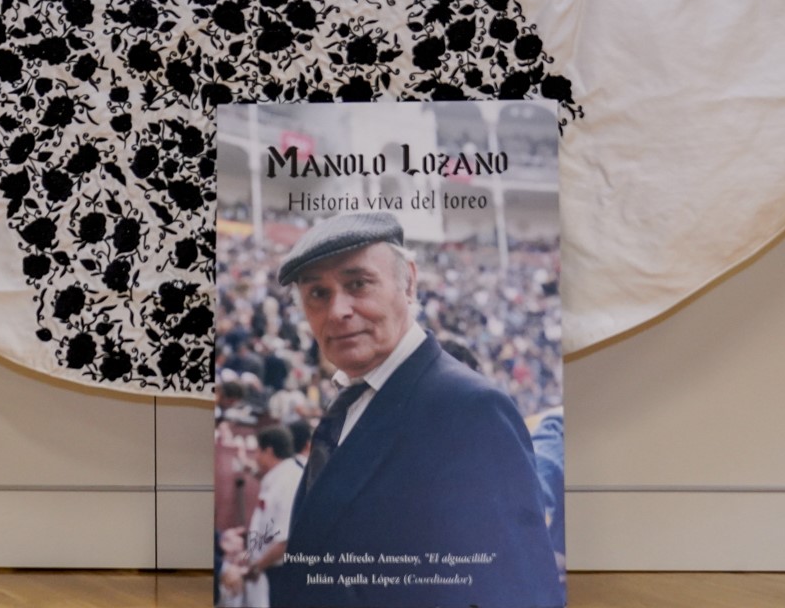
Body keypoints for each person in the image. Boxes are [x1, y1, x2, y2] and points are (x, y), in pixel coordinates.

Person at [268, 213, 563, 608]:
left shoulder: (469, 409)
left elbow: (516, 592)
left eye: (358, 284)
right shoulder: (350, 401)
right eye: (318, 293)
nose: (337, 310)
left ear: (408, 281)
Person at [220, 424, 300, 607]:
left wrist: (255, 568)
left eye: (258, 451)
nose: (255, 457)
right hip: (266, 570)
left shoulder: (288, 482)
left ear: (268, 451)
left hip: (276, 574)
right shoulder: (281, 476)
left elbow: (284, 541)